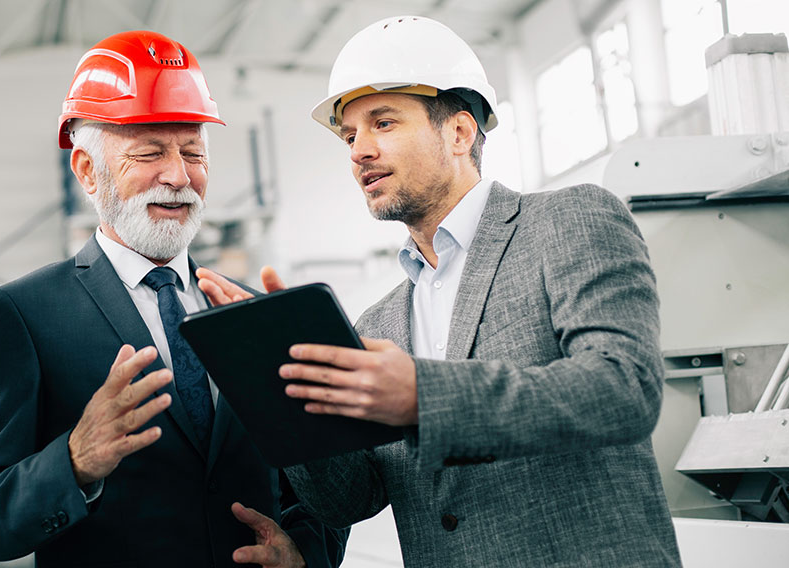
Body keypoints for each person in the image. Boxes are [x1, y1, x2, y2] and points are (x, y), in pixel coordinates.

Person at [197, 15, 681, 567]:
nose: (358, 151)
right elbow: (350, 499)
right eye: (350, 135)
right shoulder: (377, 325)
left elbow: (624, 387)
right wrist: (277, 388)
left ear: (459, 132)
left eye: (382, 123)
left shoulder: (568, 220)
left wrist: (423, 396)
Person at [0, 30, 346, 568]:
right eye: (150, 152)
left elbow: (319, 484)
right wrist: (74, 462)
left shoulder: (252, 310)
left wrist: (306, 551)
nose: (179, 177)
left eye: (193, 153)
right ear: (88, 171)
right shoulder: (24, 316)